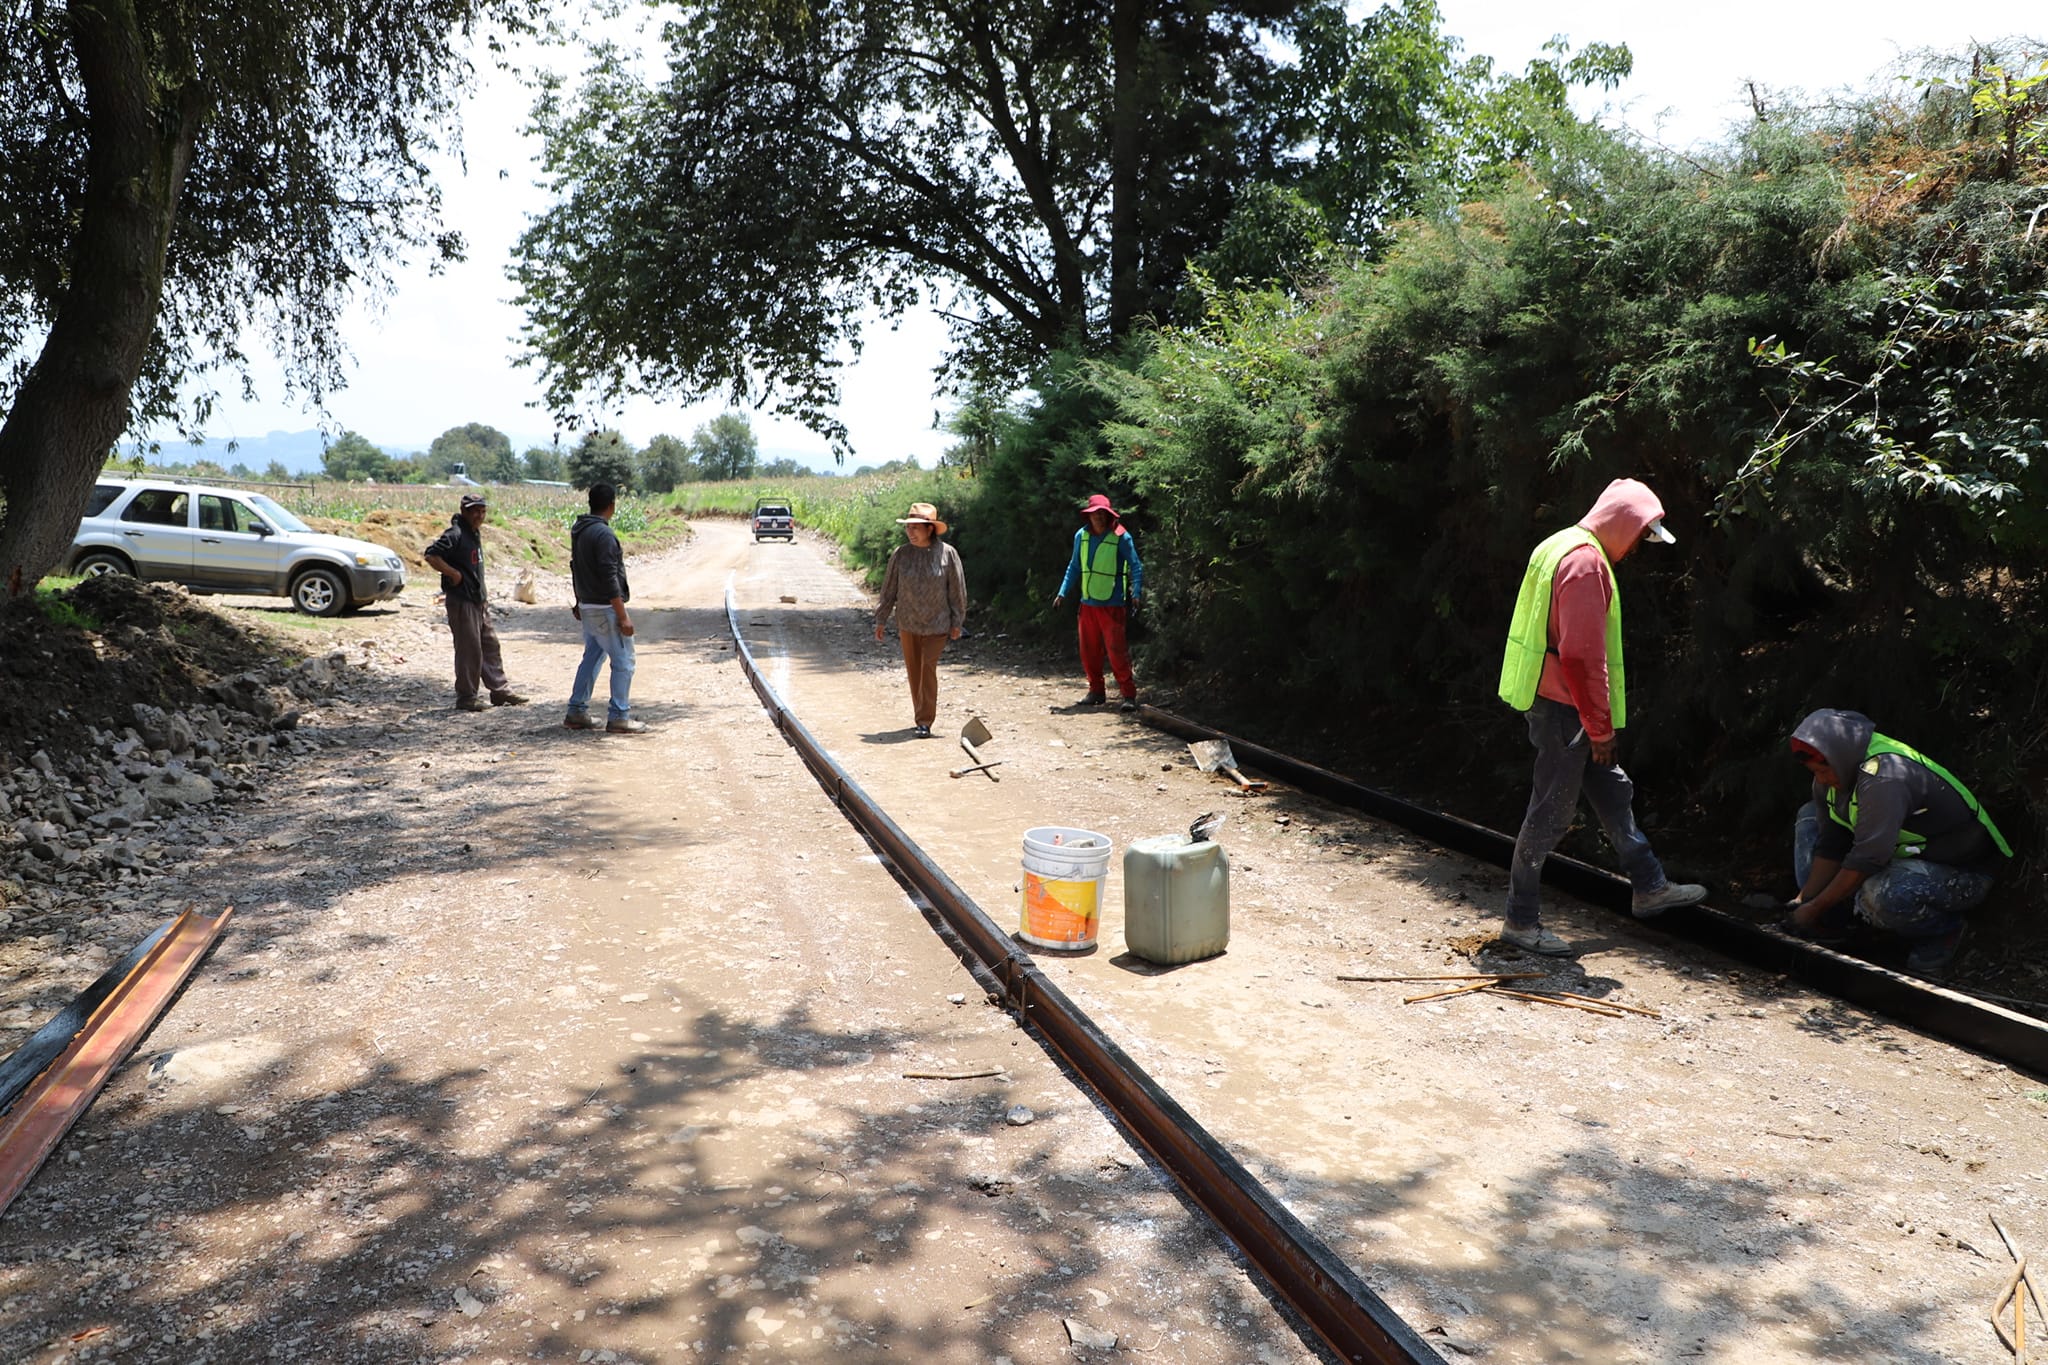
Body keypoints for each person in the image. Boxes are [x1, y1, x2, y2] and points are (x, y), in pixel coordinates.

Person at [1495, 477, 1707, 955]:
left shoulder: (1559, 543)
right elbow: (1582, 658)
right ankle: (1520, 921)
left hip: (1553, 700)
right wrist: (1601, 729)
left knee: (1613, 792)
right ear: (1625, 525)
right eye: (1639, 538)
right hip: (1566, 711)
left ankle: (1650, 887)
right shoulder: (1587, 564)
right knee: (1549, 814)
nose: (1635, 549)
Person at [1783, 708, 2011, 975]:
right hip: (1906, 860)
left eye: (1824, 771)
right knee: (1810, 817)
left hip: (1961, 872)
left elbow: (1867, 858)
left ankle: (1943, 933)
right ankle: (1832, 924)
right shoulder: (1837, 773)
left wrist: (1814, 907)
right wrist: (1804, 900)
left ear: (1839, 756)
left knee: (1880, 894)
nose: (1821, 780)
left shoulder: (1884, 777)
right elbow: (1832, 841)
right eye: (1815, 772)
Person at [422, 492, 528, 713]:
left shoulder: (473, 533)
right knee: (469, 650)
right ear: (464, 512)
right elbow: (432, 555)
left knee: (490, 646)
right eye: (475, 511)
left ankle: (500, 691)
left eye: (482, 511)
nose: (479, 515)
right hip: (461, 601)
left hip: (478, 601)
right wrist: (453, 574)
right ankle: (467, 696)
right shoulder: (456, 533)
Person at [873, 501, 967, 738]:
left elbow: (957, 590)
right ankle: (920, 716)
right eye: (908, 527)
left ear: (930, 529)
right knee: (914, 670)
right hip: (908, 622)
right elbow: (889, 589)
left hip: (937, 624)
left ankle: (925, 720)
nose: (911, 532)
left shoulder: (948, 554)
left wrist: (957, 622)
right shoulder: (901, 555)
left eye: (916, 527)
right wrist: (881, 619)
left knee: (928, 667)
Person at [1052, 493, 1144, 711]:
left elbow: (1136, 566)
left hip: (1112, 605)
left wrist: (1136, 592)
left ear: (1109, 515)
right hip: (1088, 605)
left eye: (1103, 514)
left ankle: (1128, 695)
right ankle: (1096, 692)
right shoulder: (1081, 536)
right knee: (1088, 651)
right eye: (1095, 514)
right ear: (1089, 516)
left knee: (1116, 651)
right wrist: (1062, 592)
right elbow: (1074, 566)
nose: (1099, 518)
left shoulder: (1121, 536)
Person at [565, 483, 644, 734]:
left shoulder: (580, 531)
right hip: (604, 608)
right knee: (624, 661)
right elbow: (610, 578)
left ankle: (577, 710)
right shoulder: (604, 535)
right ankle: (619, 716)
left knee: (593, 656)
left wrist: (579, 601)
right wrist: (623, 616)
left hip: (588, 606)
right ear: (612, 505)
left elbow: (575, 567)